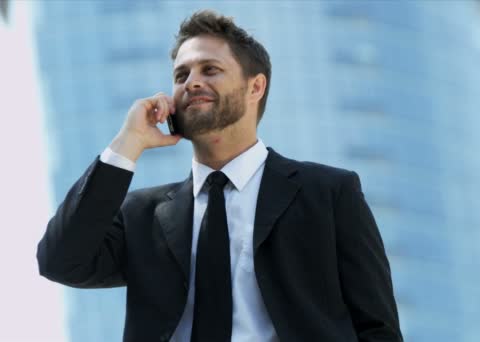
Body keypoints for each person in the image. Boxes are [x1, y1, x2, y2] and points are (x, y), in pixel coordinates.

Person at [37, 10, 403, 342]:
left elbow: (378, 329)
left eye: (210, 69)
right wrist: (127, 144)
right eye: (182, 75)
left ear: (254, 87)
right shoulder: (143, 215)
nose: (191, 82)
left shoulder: (329, 193)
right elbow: (60, 260)